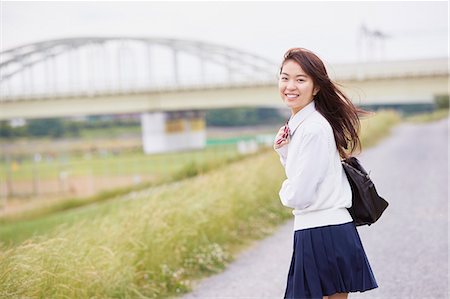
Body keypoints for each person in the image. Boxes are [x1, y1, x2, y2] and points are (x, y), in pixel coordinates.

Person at [273, 48, 378, 299]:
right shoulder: (306, 126)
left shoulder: (312, 129)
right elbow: (308, 174)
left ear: (316, 87)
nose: (290, 86)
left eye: (300, 79)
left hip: (321, 231)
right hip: (326, 230)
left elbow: (301, 194)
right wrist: (285, 151)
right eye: (285, 77)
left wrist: (284, 191)